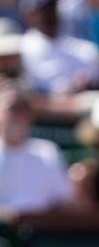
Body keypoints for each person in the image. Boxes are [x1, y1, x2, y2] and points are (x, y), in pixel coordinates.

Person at [0, 80, 73, 215]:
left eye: (22, 109)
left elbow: (63, 200)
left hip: (43, 226)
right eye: (11, 109)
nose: (17, 116)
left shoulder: (47, 151)